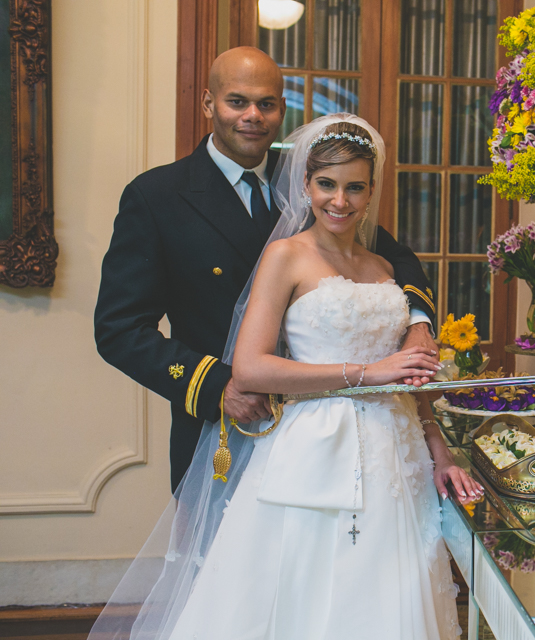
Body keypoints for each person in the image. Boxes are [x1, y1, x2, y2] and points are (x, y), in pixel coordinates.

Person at [89, 115, 483, 640]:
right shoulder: (284, 255)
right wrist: (369, 373)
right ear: (305, 185)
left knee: (389, 600)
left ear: (371, 192)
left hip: (397, 455)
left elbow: (408, 376)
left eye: (354, 188)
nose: (339, 200)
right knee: (299, 596)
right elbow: (251, 366)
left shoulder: (386, 268)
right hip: (314, 447)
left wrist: (439, 450)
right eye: (326, 185)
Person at [94, 47, 438, 492]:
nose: (253, 115)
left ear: (282, 109)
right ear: (208, 104)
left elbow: (396, 258)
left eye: (267, 104)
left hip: (324, 431)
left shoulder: (310, 180)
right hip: (223, 420)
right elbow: (119, 329)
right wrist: (219, 386)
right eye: (237, 101)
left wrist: (417, 324)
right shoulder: (156, 196)